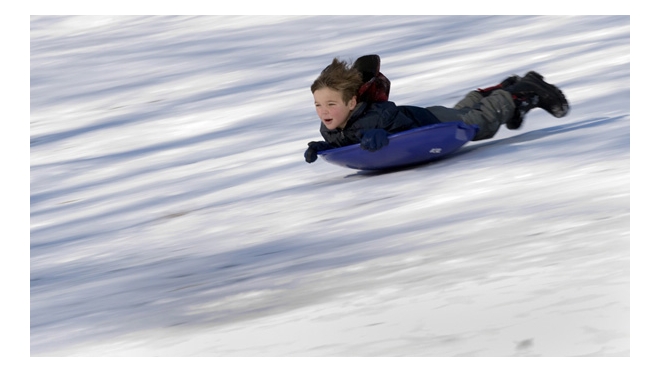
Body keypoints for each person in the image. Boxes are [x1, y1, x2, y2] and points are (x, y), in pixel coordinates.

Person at [304, 55, 569, 163]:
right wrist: (323, 146)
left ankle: (525, 91)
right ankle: (505, 86)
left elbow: (403, 129)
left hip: (430, 123)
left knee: (480, 123)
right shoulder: (331, 124)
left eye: (330, 104)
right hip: (431, 116)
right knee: (465, 113)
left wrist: (384, 134)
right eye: (318, 105)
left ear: (351, 103)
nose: (324, 111)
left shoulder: (377, 116)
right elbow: (346, 139)